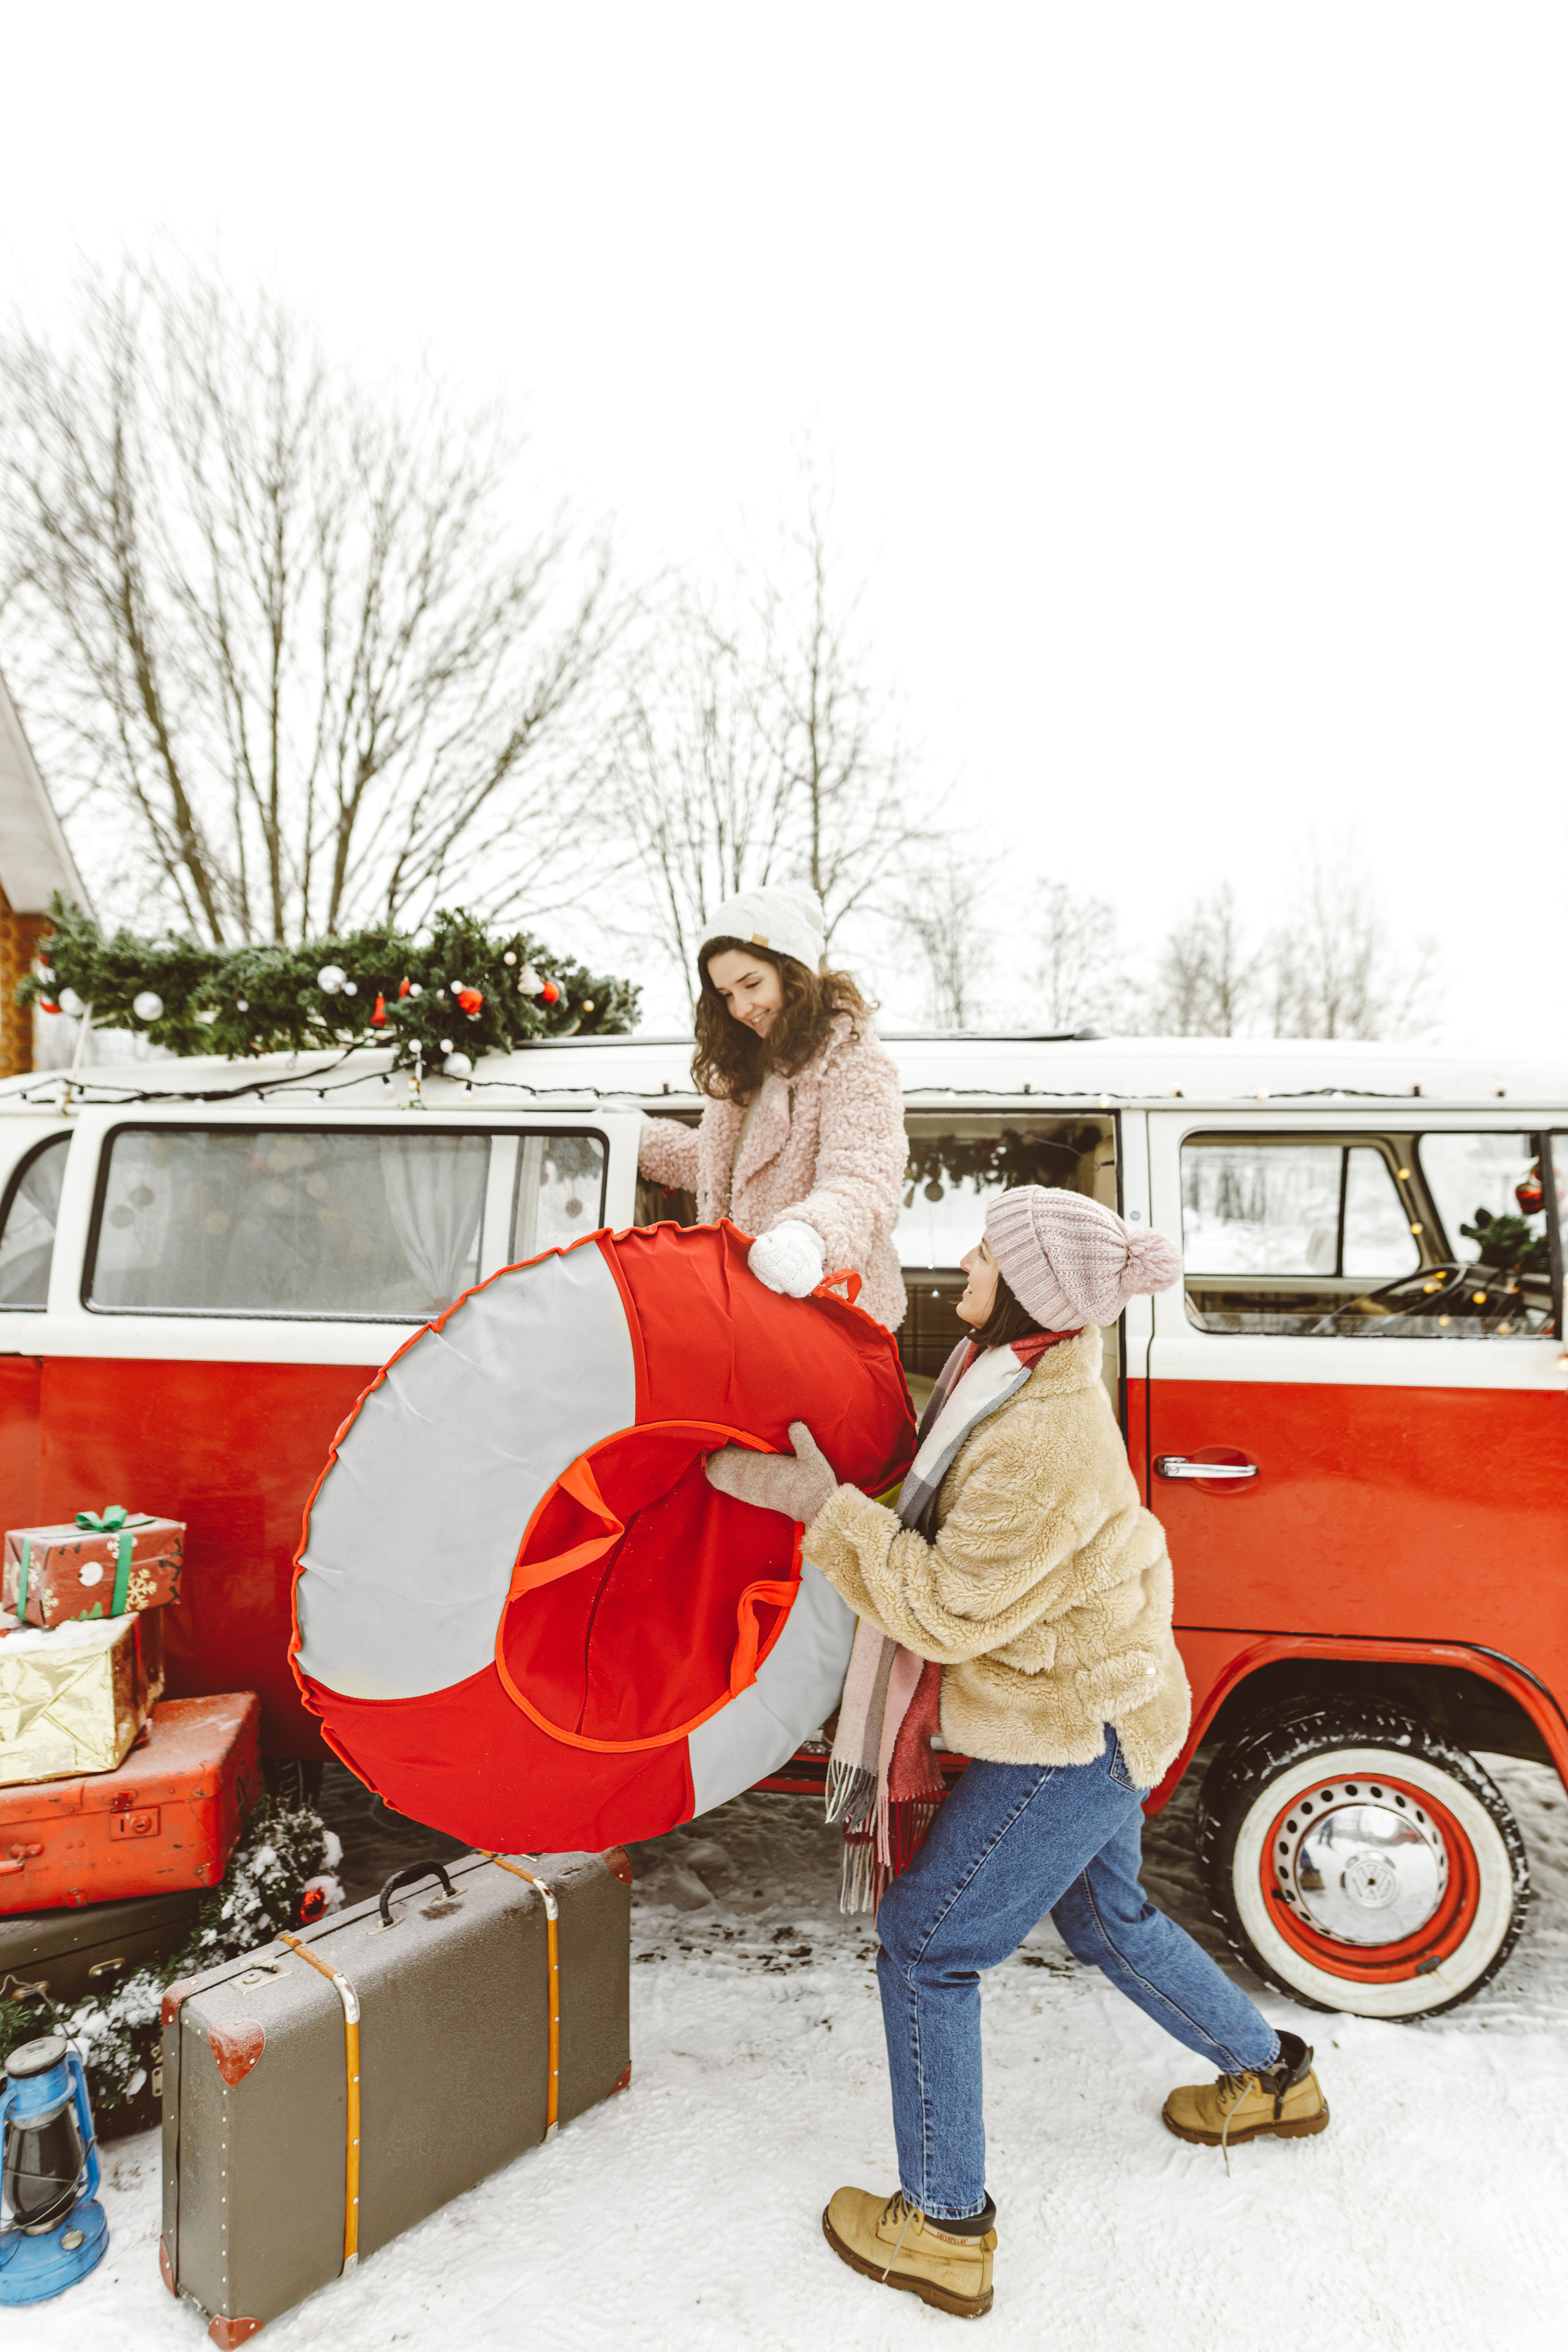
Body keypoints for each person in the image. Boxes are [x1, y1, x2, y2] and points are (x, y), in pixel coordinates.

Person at [706, 1185, 1329, 2321]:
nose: (963, 1271)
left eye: (986, 1255)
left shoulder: (1042, 1436)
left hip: (1070, 1733)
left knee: (929, 1943)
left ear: (1033, 1289)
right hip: (1104, 1699)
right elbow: (933, 1518)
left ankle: (945, 2228)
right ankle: (1274, 2080)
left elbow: (941, 1609)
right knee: (1104, 1918)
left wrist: (826, 1513)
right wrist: (814, 1493)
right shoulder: (1003, 1376)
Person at [638, 884, 908, 1329]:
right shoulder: (751, 1069)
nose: (741, 1007)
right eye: (725, 994)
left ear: (792, 970)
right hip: (747, 1314)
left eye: (751, 984)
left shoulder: (853, 1058)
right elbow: (720, 1167)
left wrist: (807, 1236)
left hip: (827, 1319)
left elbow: (863, 1179)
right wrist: (638, 1139)